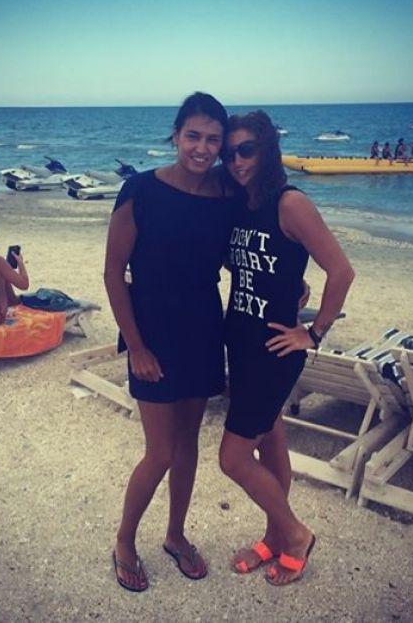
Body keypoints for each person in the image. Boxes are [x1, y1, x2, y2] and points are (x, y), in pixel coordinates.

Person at [104, 92, 238, 592]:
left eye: (213, 140)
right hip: (152, 333)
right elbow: (114, 272)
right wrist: (136, 346)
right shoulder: (140, 190)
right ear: (176, 135)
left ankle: (176, 535)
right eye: (193, 136)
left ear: (222, 145)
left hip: (203, 329)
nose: (202, 148)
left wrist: (289, 283)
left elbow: (235, 254)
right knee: (159, 451)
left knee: (187, 446)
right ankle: (124, 540)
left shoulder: (226, 195)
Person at [219, 110, 354, 586]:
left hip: (275, 351)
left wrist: (313, 333)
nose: (237, 161)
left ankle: (296, 534)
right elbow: (254, 264)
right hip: (241, 341)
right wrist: (292, 284)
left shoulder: (290, 203)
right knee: (271, 435)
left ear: (267, 150)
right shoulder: (241, 202)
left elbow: (342, 271)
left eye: (246, 150)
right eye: (229, 153)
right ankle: (274, 535)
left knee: (233, 459)